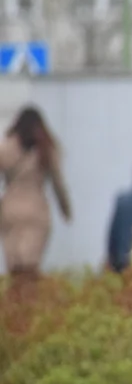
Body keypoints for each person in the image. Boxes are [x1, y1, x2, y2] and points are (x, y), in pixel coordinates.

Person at [0, 106, 72, 279]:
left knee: (14, 267)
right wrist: (65, 209)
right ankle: (30, 302)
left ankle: (15, 302)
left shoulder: (6, 147)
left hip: (9, 209)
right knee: (30, 266)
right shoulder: (46, 149)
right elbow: (58, 183)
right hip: (36, 209)